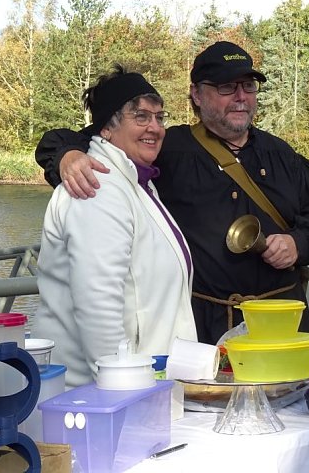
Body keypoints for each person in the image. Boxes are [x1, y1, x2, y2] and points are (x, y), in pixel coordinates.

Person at [35, 41, 309, 345]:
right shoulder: (165, 147)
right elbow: (81, 138)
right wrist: (67, 156)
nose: (240, 97)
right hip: (203, 333)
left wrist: (297, 243)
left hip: (280, 328)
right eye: (226, 87)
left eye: (248, 86)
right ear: (197, 94)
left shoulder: (283, 157)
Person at [32, 66, 198, 386]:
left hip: (145, 386)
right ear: (107, 128)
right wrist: (122, 390)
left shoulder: (137, 183)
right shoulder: (97, 187)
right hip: (96, 397)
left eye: (159, 117)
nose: (155, 127)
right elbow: (99, 307)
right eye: (141, 116)